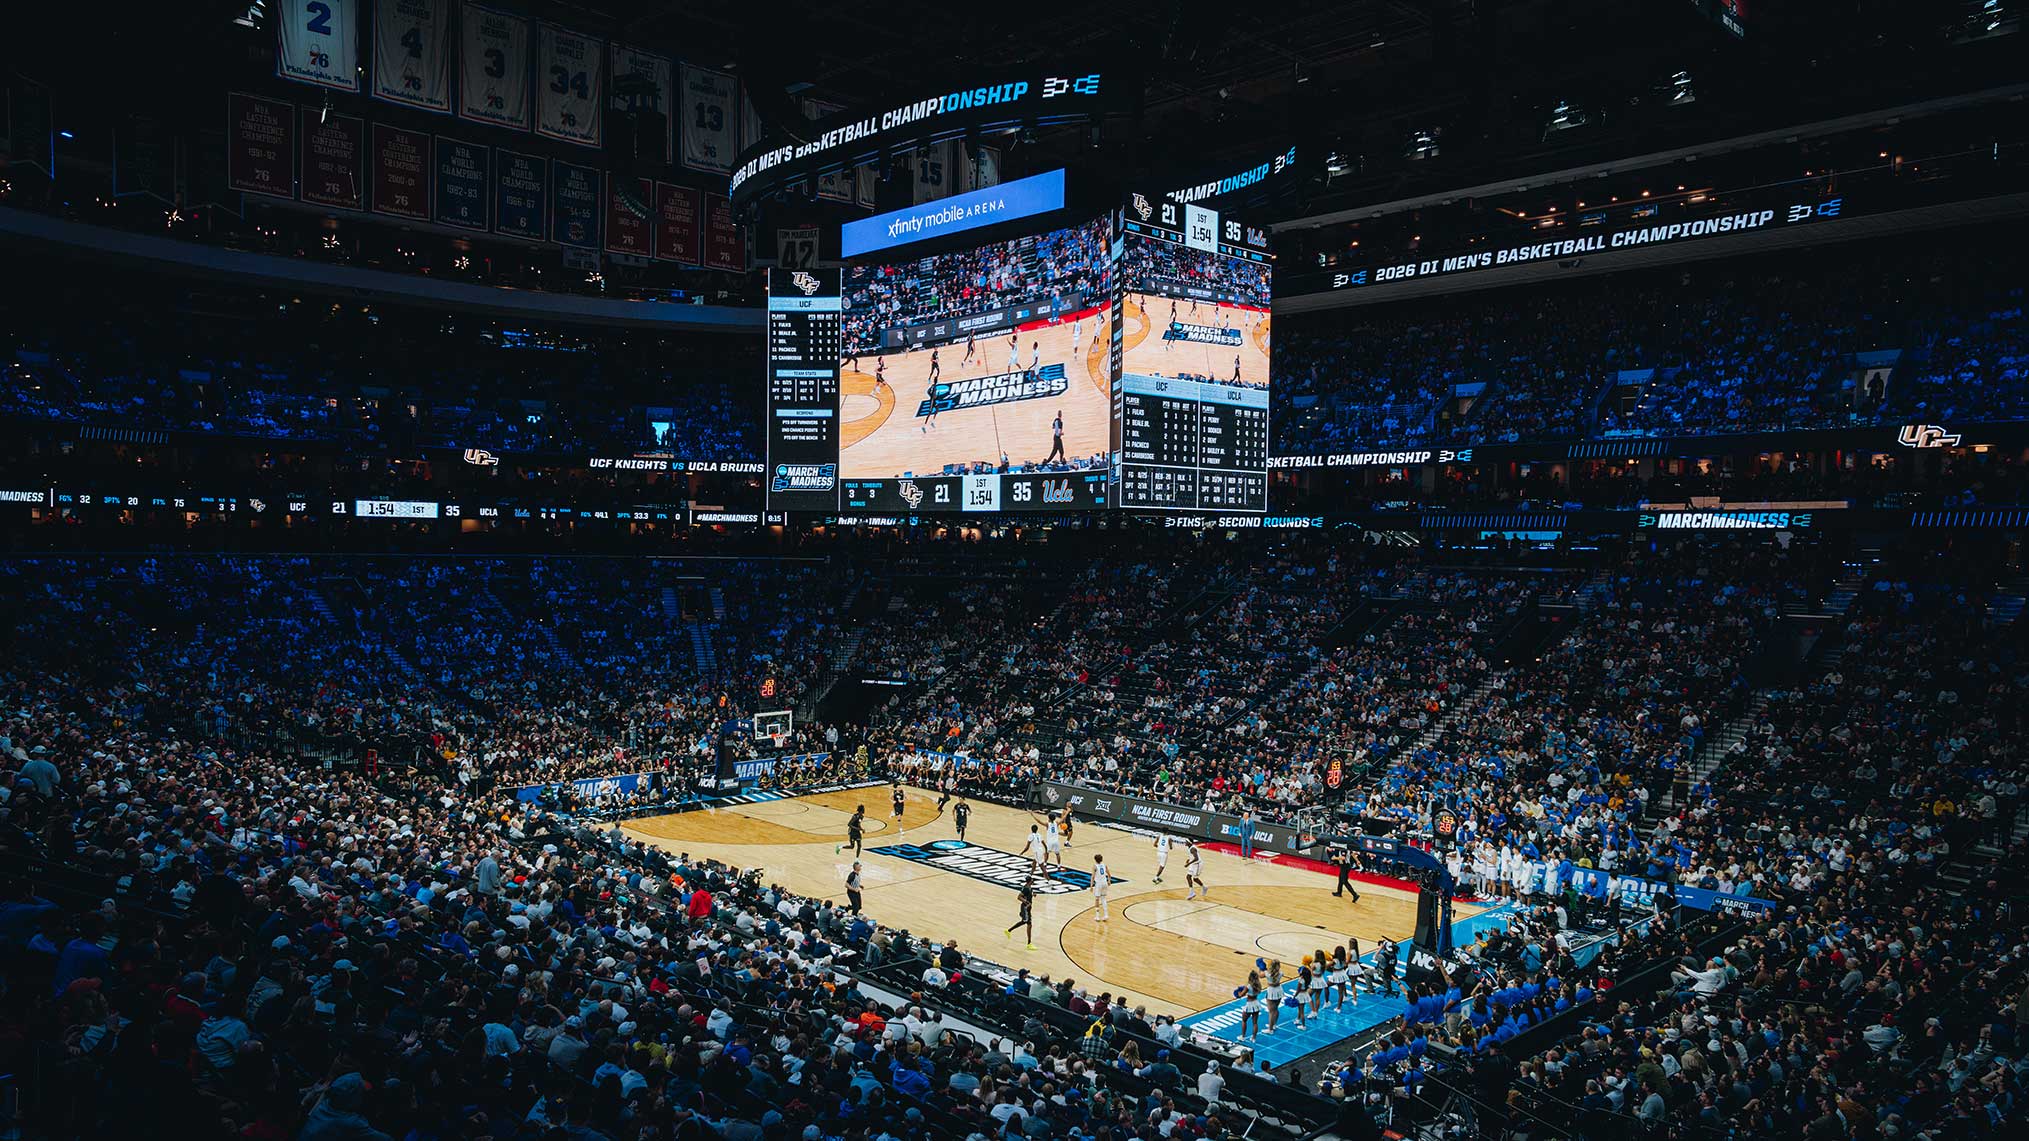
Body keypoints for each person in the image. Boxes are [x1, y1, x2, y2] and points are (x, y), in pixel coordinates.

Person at [1006, 874, 1036, 949]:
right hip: (1025, 907)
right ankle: (1008, 931)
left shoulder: (1029, 887)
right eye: (1032, 880)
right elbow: (1019, 897)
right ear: (1030, 881)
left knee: (1029, 924)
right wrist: (1026, 902)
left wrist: (1033, 894)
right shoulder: (1025, 888)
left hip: (1027, 908)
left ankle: (1029, 943)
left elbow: (1029, 893)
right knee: (1025, 921)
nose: (1033, 880)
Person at [1239, 971, 1264, 1042]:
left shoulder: (1249, 986)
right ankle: (1254, 1038)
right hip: (1256, 1003)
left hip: (1249, 1005)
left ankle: (1243, 1036)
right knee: (1255, 1023)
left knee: (1244, 1020)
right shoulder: (1258, 985)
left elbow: (1241, 995)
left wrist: (1238, 992)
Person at [1091, 853, 1110, 923]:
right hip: (1105, 883)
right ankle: (1106, 915)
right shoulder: (1104, 865)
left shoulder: (1094, 866)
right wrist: (1109, 880)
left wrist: (1091, 886)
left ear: (1095, 860)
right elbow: (1109, 874)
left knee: (1097, 899)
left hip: (1099, 884)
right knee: (1103, 898)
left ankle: (1097, 916)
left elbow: (1092, 877)